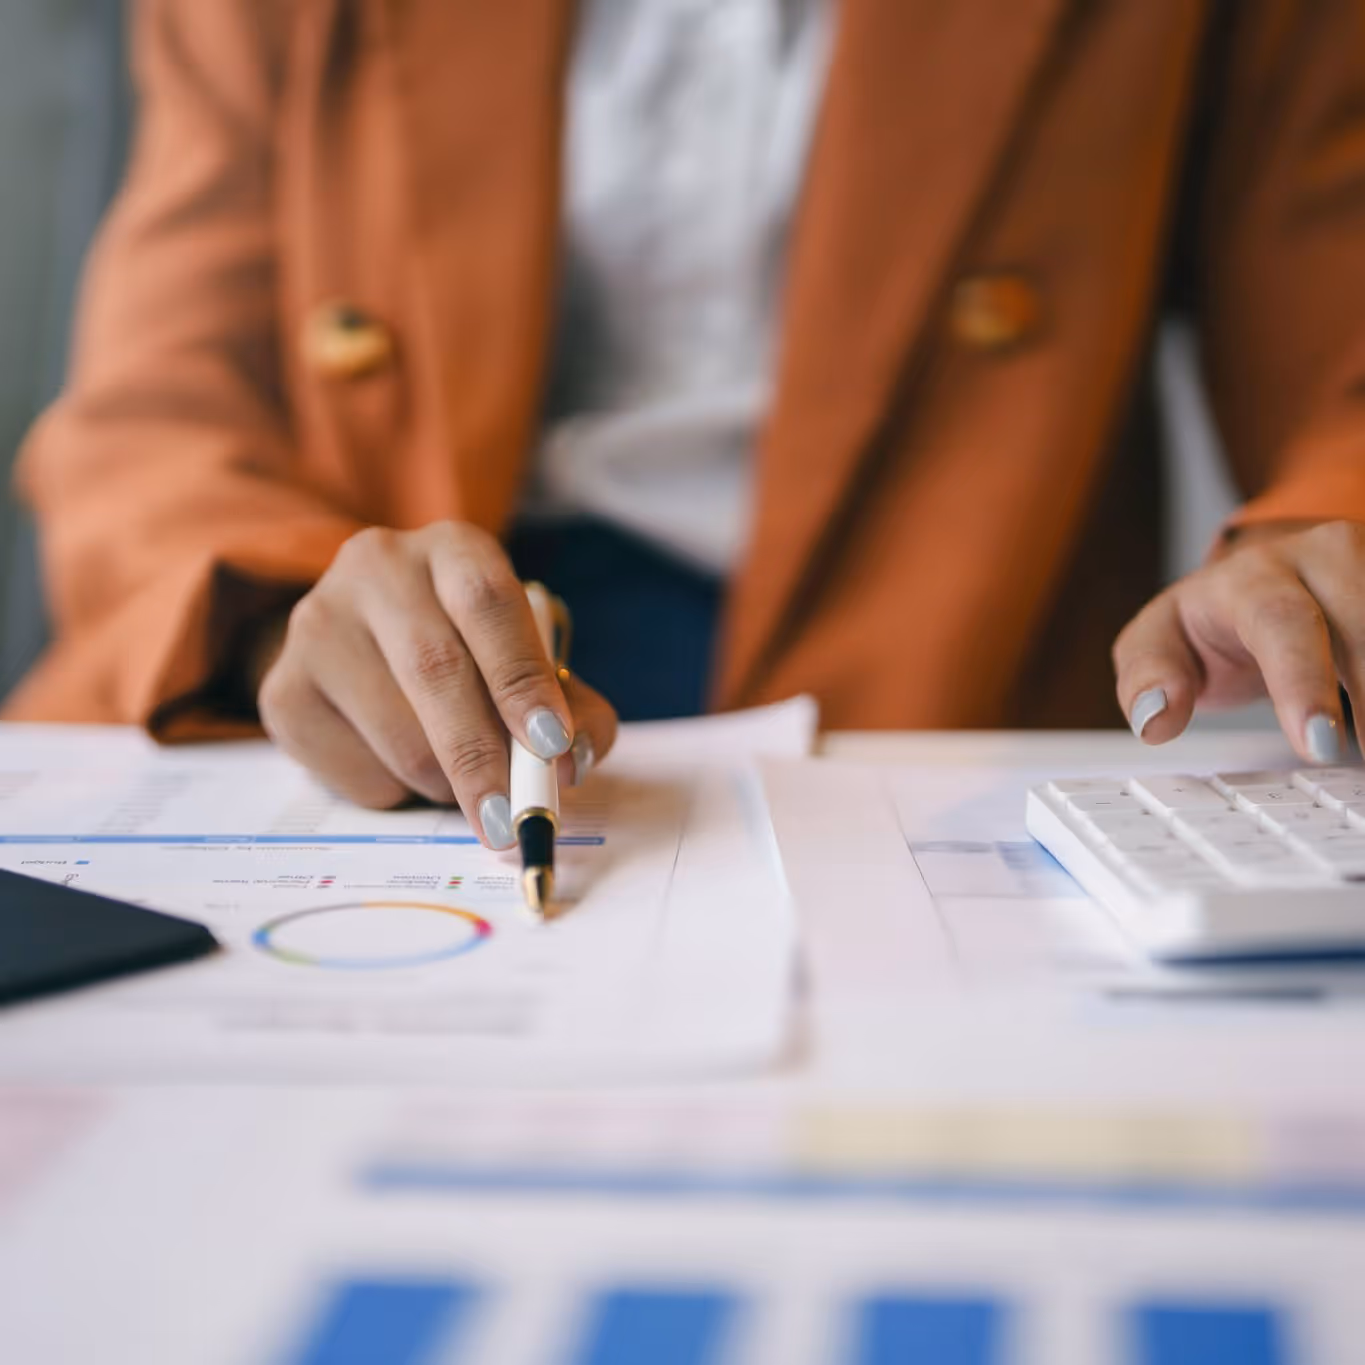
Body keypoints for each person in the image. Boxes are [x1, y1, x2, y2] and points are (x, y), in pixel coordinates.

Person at [10, 0, 1365, 852]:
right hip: (390, 706)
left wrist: (1322, 548)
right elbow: (159, 412)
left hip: (955, 676)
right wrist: (277, 621)